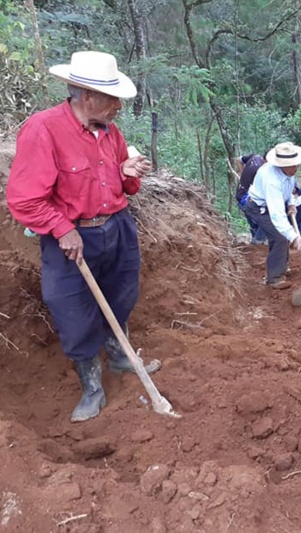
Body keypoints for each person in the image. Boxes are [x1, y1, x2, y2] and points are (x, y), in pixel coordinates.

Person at [6, 51, 161, 423]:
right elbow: (24, 199)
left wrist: (129, 169)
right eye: (112, 100)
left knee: (122, 294)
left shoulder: (111, 131)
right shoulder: (43, 130)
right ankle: (91, 385)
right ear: (86, 95)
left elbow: (128, 186)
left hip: (118, 227)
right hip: (72, 239)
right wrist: (62, 228)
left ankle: (121, 356)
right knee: (72, 311)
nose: (118, 108)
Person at [243, 141, 301, 289]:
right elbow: (277, 215)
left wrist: (291, 202)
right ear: (281, 164)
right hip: (258, 207)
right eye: (292, 165)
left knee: (282, 235)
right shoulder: (271, 180)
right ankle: (275, 278)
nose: (295, 168)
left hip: (270, 204)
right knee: (280, 237)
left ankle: (281, 267)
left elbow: (289, 187)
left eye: (296, 164)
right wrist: (295, 238)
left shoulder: (289, 172)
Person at [235, 153, 267, 244]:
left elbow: (238, 159)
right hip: (247, 199)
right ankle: (257, 244)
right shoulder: (261, 171)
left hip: (241, 196)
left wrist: (242, 175)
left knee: (254, 224)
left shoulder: (255, 157)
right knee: (264, 221)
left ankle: (256, 247)